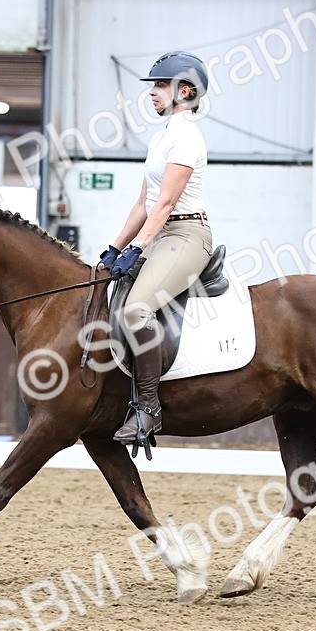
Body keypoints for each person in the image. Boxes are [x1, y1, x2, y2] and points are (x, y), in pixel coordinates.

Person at [97, 51, 214, 446]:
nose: (152, 93)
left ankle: (148, 409)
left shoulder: (186, 136)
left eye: (161, 85)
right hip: (160, 234)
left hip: (186, 235)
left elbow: (166, 204)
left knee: (136, 311)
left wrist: (138, 247)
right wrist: (114, 249)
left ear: (185, 92)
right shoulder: (161, 137)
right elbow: (143, 204)